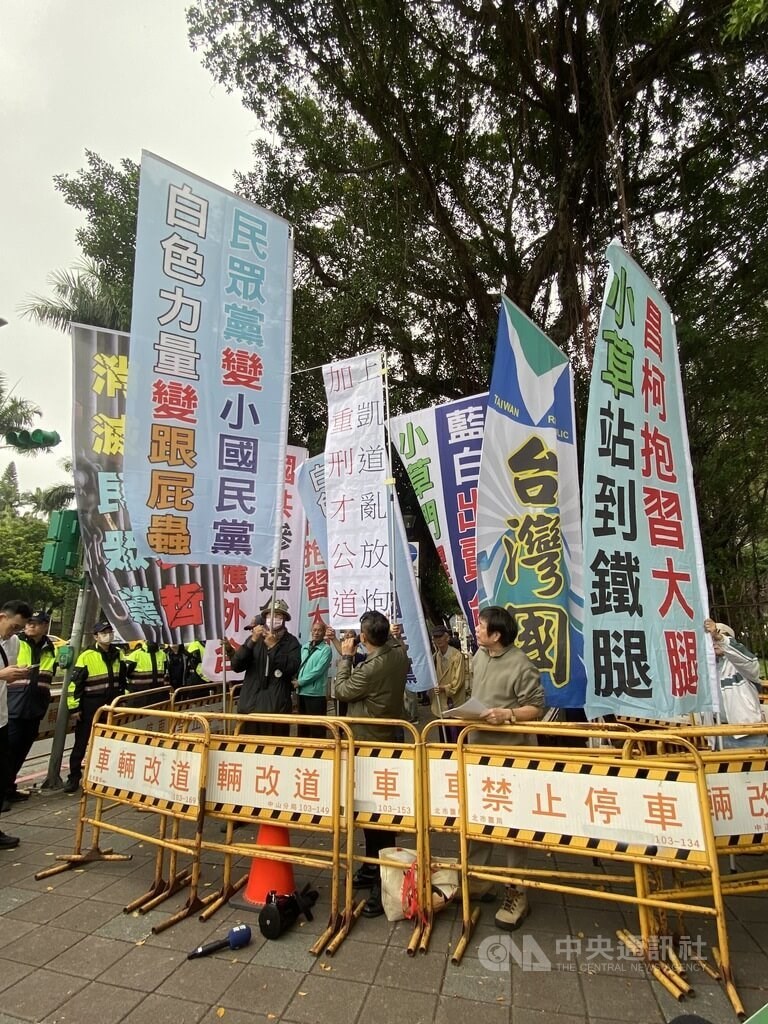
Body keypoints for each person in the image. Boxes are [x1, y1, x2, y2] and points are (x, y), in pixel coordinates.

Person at [468, 605, 545, 931]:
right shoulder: (479, 656)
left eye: (482, 626)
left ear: (496, 634)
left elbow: (537, 707)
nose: (477, 628)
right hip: (477, 753)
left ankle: (517, 893)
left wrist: (508, 715)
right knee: (478, 819)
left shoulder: (522, 665)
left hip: (512, 758)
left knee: (513, 826)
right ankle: (478, 881)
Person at [334, 610, 410, 917]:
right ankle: (370, 865)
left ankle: (383, 881)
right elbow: (392, 644)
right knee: (372, 809)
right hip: (387, 738)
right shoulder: (399, 653)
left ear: (364, 638)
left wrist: (345, 658)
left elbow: (342, 690)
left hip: (369, 742)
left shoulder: (371, 667)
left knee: (378, 815)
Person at [64, 619, 127, 793]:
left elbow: (123, 680)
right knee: (81, 743)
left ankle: (104, 776)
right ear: (96, 636)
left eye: (109, 632)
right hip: (90, 705)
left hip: (111, 705)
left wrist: (124, 700)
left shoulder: (118, 654)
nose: (108, 636)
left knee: (109, 742)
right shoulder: (87, 656)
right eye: (103, 633)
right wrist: (74, 708)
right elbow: (74, 685)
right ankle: (74, 777)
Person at [5, 610, 57, 806]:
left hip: (35, 708)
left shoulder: (50, 647)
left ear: (45, 626)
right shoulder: (15, 643)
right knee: (7, 753)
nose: (30, 626)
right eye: (29, 623)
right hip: (13, 707)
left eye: (36, 623)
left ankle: (10, 789)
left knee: (21, 752)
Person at [230, 599, 301, 736]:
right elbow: (236, 665)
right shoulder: (255, 639)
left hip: (276, 709)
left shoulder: (291, 643)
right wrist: (252, 642)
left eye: (278, 616)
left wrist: (274, 647)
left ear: (285, 619)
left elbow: (291, 668)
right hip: (250, 707)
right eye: (270, 616)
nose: (273, 619)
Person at [705, 618, 768, 749]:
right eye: (712, 638)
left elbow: (748, 662)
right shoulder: (707, 669)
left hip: (748, 734)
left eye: (719, 636)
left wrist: (719, 637)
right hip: (717, 733)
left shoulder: (742, 666)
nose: (715, 641)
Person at [0, 600, 32, 849]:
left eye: (18, 628)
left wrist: (18, 672)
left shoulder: (14, 643)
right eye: (13, 626)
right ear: (2, 616)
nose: (15, 631)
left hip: (1, 718)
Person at [295, 620, 332, 738]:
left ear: (324, 632)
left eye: (319, 630)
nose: (316, 633)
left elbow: (318, 671)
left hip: (316, 694)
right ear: (311, 631)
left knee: (317, 728)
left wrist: (300, 682)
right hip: (301, 692)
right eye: (314, 630)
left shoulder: (326, 649)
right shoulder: (305, 647)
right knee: (302, 726)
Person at [429, 625, 468, 740]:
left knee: (457, 737)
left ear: (447, 638)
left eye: (441, 636)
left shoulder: (457, 656)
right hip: (440, 703)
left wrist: (444, 688)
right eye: (435, 637)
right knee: (444, 737)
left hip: (454, 702)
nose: (438, 640)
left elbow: (458, 681)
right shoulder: (435, 657)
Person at [123, 640, 168, 706]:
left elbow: (164, 672)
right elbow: (125, 675)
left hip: (157, 695)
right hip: (139, 696)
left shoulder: (163, 655)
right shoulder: (135, 655)